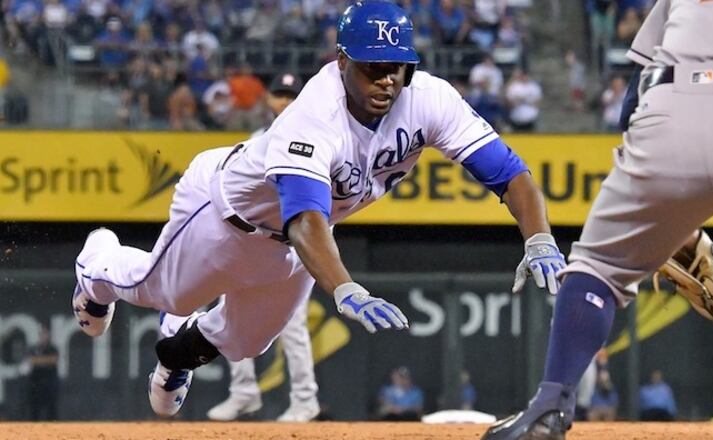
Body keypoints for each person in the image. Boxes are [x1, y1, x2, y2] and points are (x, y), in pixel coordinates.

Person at [71, 0, 563, 418]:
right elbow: (305, 219)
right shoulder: (312, 116)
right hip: (225, 215)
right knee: (161, 293)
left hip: (294, 243)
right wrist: (344, 287)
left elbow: (508, 173)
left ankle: (173, 351)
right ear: (343, 60)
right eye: (373, 65)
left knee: (246, 344)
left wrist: (538, 235)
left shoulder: (429, 99)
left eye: (395, 66)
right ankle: (97, 263)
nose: (386, 79)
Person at [482, 1, 713, 438]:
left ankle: (549, 408)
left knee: (596, 269)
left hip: (670, 109)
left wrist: (644, 179)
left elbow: (633, 96)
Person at [208, 72, 322, 423]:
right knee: (232, 311)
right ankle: (243, 393)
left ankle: (305, 400)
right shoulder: (256, 140)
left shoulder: (317, 136)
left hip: (295, 244)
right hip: (255, 242)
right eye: (279, 94)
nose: (284, 101)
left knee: (293, 324)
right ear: (268, 100)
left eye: (291, 95)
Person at [27, 325, 59, 421]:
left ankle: (52, 424)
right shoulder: (34, 348)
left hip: (49, 381)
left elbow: (53, 360)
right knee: (35, 406)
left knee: (51, 405)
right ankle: (34, 425)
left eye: (45, 334)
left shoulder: (53, 348)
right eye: (41, 334)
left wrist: (39, 361)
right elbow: (31, 360)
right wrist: (45, 361)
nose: (43, 336)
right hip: (36, 381)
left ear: (48, 336)